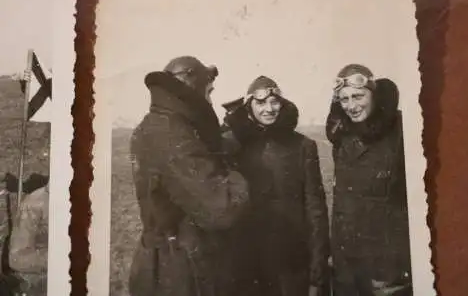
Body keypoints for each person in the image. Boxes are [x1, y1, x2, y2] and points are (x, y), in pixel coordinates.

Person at [128, 56, 250, 296]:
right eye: (209, 91)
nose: (209, 99)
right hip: (180, 273)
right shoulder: (173, 134)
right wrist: (232, 174)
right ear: (194, 88)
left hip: (161, 263)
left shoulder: (154, 124)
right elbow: (221, 210)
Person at [222, 76, 330, 296]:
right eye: (261, 103)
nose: (269, 109)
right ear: (249, 107)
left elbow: (315, 210)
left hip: (292, 262)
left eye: (274, 102)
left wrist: (318, 271)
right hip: (249, 263)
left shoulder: (303, 146)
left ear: (283, 104)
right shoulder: (235, 147)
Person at [325, 64, 413, 296]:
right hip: (348, 267)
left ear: (373, 94)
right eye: (344, 100)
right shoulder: (343, 136)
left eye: (358, 96)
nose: (351, 106)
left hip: (388, 270)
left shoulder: (403, 130)